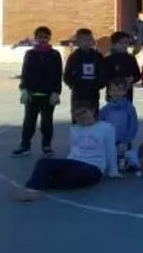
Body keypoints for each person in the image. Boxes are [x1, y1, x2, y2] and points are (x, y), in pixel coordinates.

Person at [12, 101, 120, 202]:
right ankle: (30, 189)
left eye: (84, 112)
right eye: (77, 115)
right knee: (43, 162)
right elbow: (74, 149)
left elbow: (110, 150)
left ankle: (41, 183)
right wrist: (63, 166)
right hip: (74, 161)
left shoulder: (106, 128)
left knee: (75, 176)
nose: (81, 116)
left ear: (92, 111)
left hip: (94, 166)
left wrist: (113, 171)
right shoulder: (74, 129)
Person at [15, 25, 62, 157]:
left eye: (45, 37)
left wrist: (56, 92)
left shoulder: (55, 55)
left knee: (47, 122)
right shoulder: (30, 54)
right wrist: (24, 89)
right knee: (29, 121)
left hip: (48, 95)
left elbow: (58, 75)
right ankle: (25, 145)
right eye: (40, 37)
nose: (43, 40)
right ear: (35, 38)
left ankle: (46, 146)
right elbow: (25, 72)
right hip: (32, 94)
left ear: (49, 38)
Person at [63, 28, 105, 119]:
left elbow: (103, 73)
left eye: (89, 40)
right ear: (78, 42)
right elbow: (67, 75)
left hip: (93, 92)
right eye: (83, 40)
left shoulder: (98, 56)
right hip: (78, 93)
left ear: (92, 41)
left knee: (93, 115)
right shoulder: (73, 57)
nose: (86, 43)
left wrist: (99, 85)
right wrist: (72, 84)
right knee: (78, 116)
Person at [99, 78, 139, 171]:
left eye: (120, 90)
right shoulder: (105, 109)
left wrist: (127, 140)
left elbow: (133, 125)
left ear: (125, 91)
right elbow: (100, 125)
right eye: (114, 90)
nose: (116, 93)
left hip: (123, 140)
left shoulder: (129, 108)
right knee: (109, 159)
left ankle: (126, 162)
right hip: (109, 140)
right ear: (109, 92)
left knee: (124, 159)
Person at [102, 31, 141, 102]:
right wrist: (117, 82)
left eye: (126, 43)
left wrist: (132, 79)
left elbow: (137, 75)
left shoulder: (131, 59)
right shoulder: (108, 59)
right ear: (113, 44)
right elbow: (104, 77)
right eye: (121, 43)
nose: (124, 45)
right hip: (113, 95)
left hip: (127, 94)